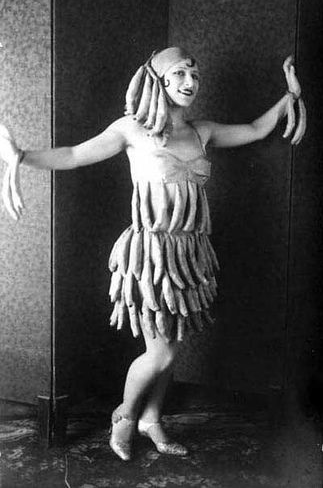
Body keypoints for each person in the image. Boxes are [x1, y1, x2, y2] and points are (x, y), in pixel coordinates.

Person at [0, 47, 306, 461]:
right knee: (160, 351)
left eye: (195, 75)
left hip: (190, 252)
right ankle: (124, 417)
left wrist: (288, 98)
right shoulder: (131, 129)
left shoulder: (203, 131)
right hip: (150, 255)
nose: (190, 83)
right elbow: (73, 155)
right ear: (158, 80)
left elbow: (254, 128)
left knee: (172, 343)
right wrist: (21, 158)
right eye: (180, 74)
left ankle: (152, 419)